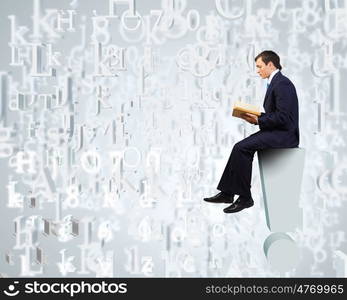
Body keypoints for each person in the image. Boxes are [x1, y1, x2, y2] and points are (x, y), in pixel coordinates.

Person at [203, 50, 300, 213]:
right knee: (238, 146)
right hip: (277, 131)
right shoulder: (275, 82)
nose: (257, 70)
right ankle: (227, 193)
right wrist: (256, 116)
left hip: (285, 136)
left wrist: (259, 120)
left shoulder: (282, 84)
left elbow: (285, 118)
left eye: (259, 66)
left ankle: (245, 198)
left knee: (242, 148)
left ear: (270, 64)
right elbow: (277, 114)